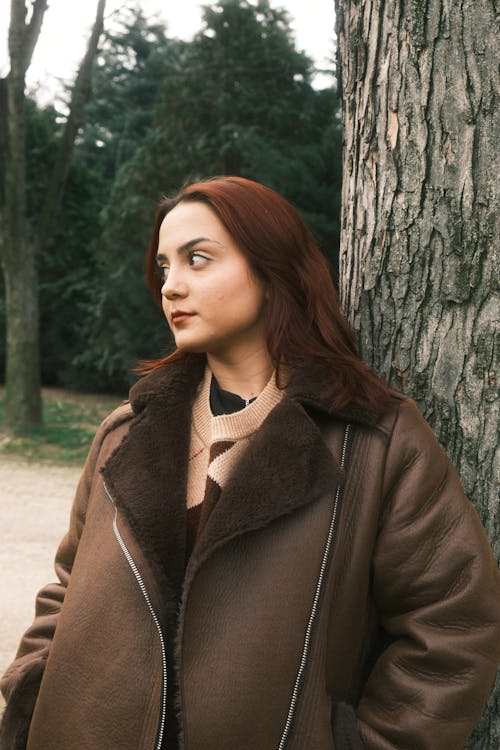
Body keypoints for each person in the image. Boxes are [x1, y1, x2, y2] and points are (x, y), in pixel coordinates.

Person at [1, 176, 499, 750]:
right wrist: (31, 692)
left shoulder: (375, 440)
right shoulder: (124, 432)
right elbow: (66, 590)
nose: (171, 287)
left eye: (198, 259)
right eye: (164, 267)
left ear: (272, 268)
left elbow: (453, 626)